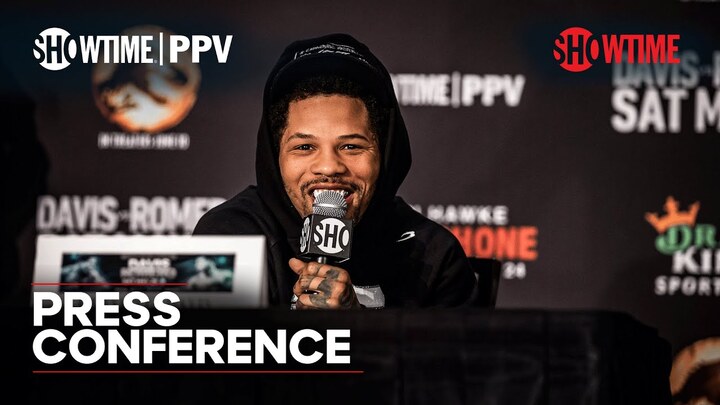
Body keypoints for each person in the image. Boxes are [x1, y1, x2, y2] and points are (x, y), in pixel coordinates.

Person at [193, 33, 476, 310]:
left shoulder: (434, 254)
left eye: (351, 146)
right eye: (305, 147)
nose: (329, 167)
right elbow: (206, 341)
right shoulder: (226, 238)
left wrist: (354, 325)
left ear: (384, 154)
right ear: (275, 156)